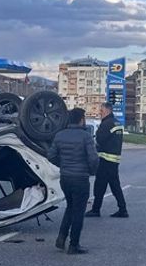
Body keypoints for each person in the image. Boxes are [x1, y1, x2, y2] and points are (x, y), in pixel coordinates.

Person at [47, 107, 98, 254]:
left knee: (70, 207)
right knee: (78, 212)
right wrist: (92, 171)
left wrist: (63, 165)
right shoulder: (86, 137)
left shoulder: (60, 135)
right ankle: (74, 245)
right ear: (81, 120)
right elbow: (93, 159)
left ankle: (61, 238)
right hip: (80, 178)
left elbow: (51, 156)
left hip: (65, 178)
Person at [88, 103, 128, 218]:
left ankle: (96, 210)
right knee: (114, 185)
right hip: (114, 159)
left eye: (101, 111)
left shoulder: (106, 124)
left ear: (106, 111)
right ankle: (122, 209)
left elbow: (100, 139)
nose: (100, 113)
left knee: (100, 185)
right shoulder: (117, 122)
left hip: (105, 159)